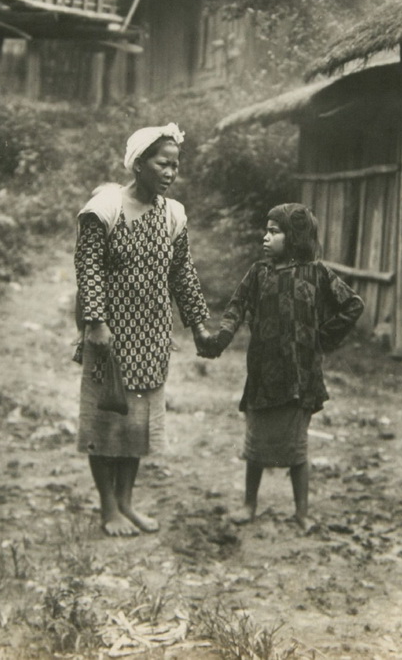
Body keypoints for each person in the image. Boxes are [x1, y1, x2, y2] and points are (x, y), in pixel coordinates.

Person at [74, 123, 211, 537]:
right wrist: (95, 322)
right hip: (110, 334)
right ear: (138, 163)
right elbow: (89, 267)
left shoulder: (172, 214)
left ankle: (128, 502)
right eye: (162, 163)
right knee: (106, 419)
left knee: (137, 425)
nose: (170, 172)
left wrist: (199, 324)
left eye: (175, 165)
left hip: (151, 334)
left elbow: (182, 272)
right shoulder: (106, 208)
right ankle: (108, 507)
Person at [200, 202, 364, 531]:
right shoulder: (258, 273)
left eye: (274, 232)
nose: (265, 237)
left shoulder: (317, 274)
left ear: (295, 237)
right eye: (266, 231)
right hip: (262, 372)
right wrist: (219, 339)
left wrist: (322, 338)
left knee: (297, 447)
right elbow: (236, 307)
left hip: (301, 375)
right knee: (256, 443)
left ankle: (302, 512)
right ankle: (249, 504)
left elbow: (352, 304)